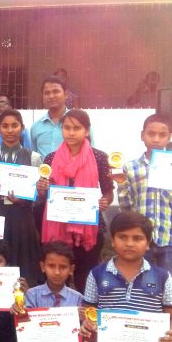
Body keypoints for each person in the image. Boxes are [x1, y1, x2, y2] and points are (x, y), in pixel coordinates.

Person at [38, 109, 113, 290]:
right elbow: (44, 194)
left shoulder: (99, 157)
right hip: (58, 226)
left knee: (85, 278)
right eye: (67, 128)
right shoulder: (51, 158)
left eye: (77, 128)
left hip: (88, 227)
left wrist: (105, 201)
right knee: (57, 277)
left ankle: (84, 314)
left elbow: (108, 191)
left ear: (86, 131)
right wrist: (41, 189)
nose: (71, 132)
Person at [81, 212, 172, 342]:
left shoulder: (163, 277)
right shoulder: (96, 274)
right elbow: (89, 311)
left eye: (137, 238)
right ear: (112, 240)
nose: (129, 243)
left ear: (148, 243)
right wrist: (87, 323)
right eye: (122, 237)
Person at [0, 109, 43, 286]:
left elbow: (40, 196)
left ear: (22, 128)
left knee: (24, 262)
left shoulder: (34, 158)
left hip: (22, 218)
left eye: (15, 125)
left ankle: (23, 304)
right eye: (5, 126)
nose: (10, 130)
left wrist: (27, 199)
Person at [115, 114, 172, 276]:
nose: (156, 139)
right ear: (142, 136)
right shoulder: (131, 167)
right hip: (139, 238)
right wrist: (121, 183)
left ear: (169, 137)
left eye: (162, 135)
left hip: (169, 236)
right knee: (140, 283)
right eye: (151, 134)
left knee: (169, 286)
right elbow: (126, 206)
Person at [18, 241, 82, 310]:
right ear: (43, 267)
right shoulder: (32, 295)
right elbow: (25, 319)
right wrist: (18, 309)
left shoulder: (78, 299)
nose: (57, 272)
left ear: (71, 269)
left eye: (63, 267)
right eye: (51, 266)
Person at [30, 76, 69, 158]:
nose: (51, 96)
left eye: (56, 91)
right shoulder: (36, 127)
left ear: (66, 95)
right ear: (43, 97)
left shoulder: (78, 124)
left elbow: (91, 153)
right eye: (47, 93)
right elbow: (33, 157)